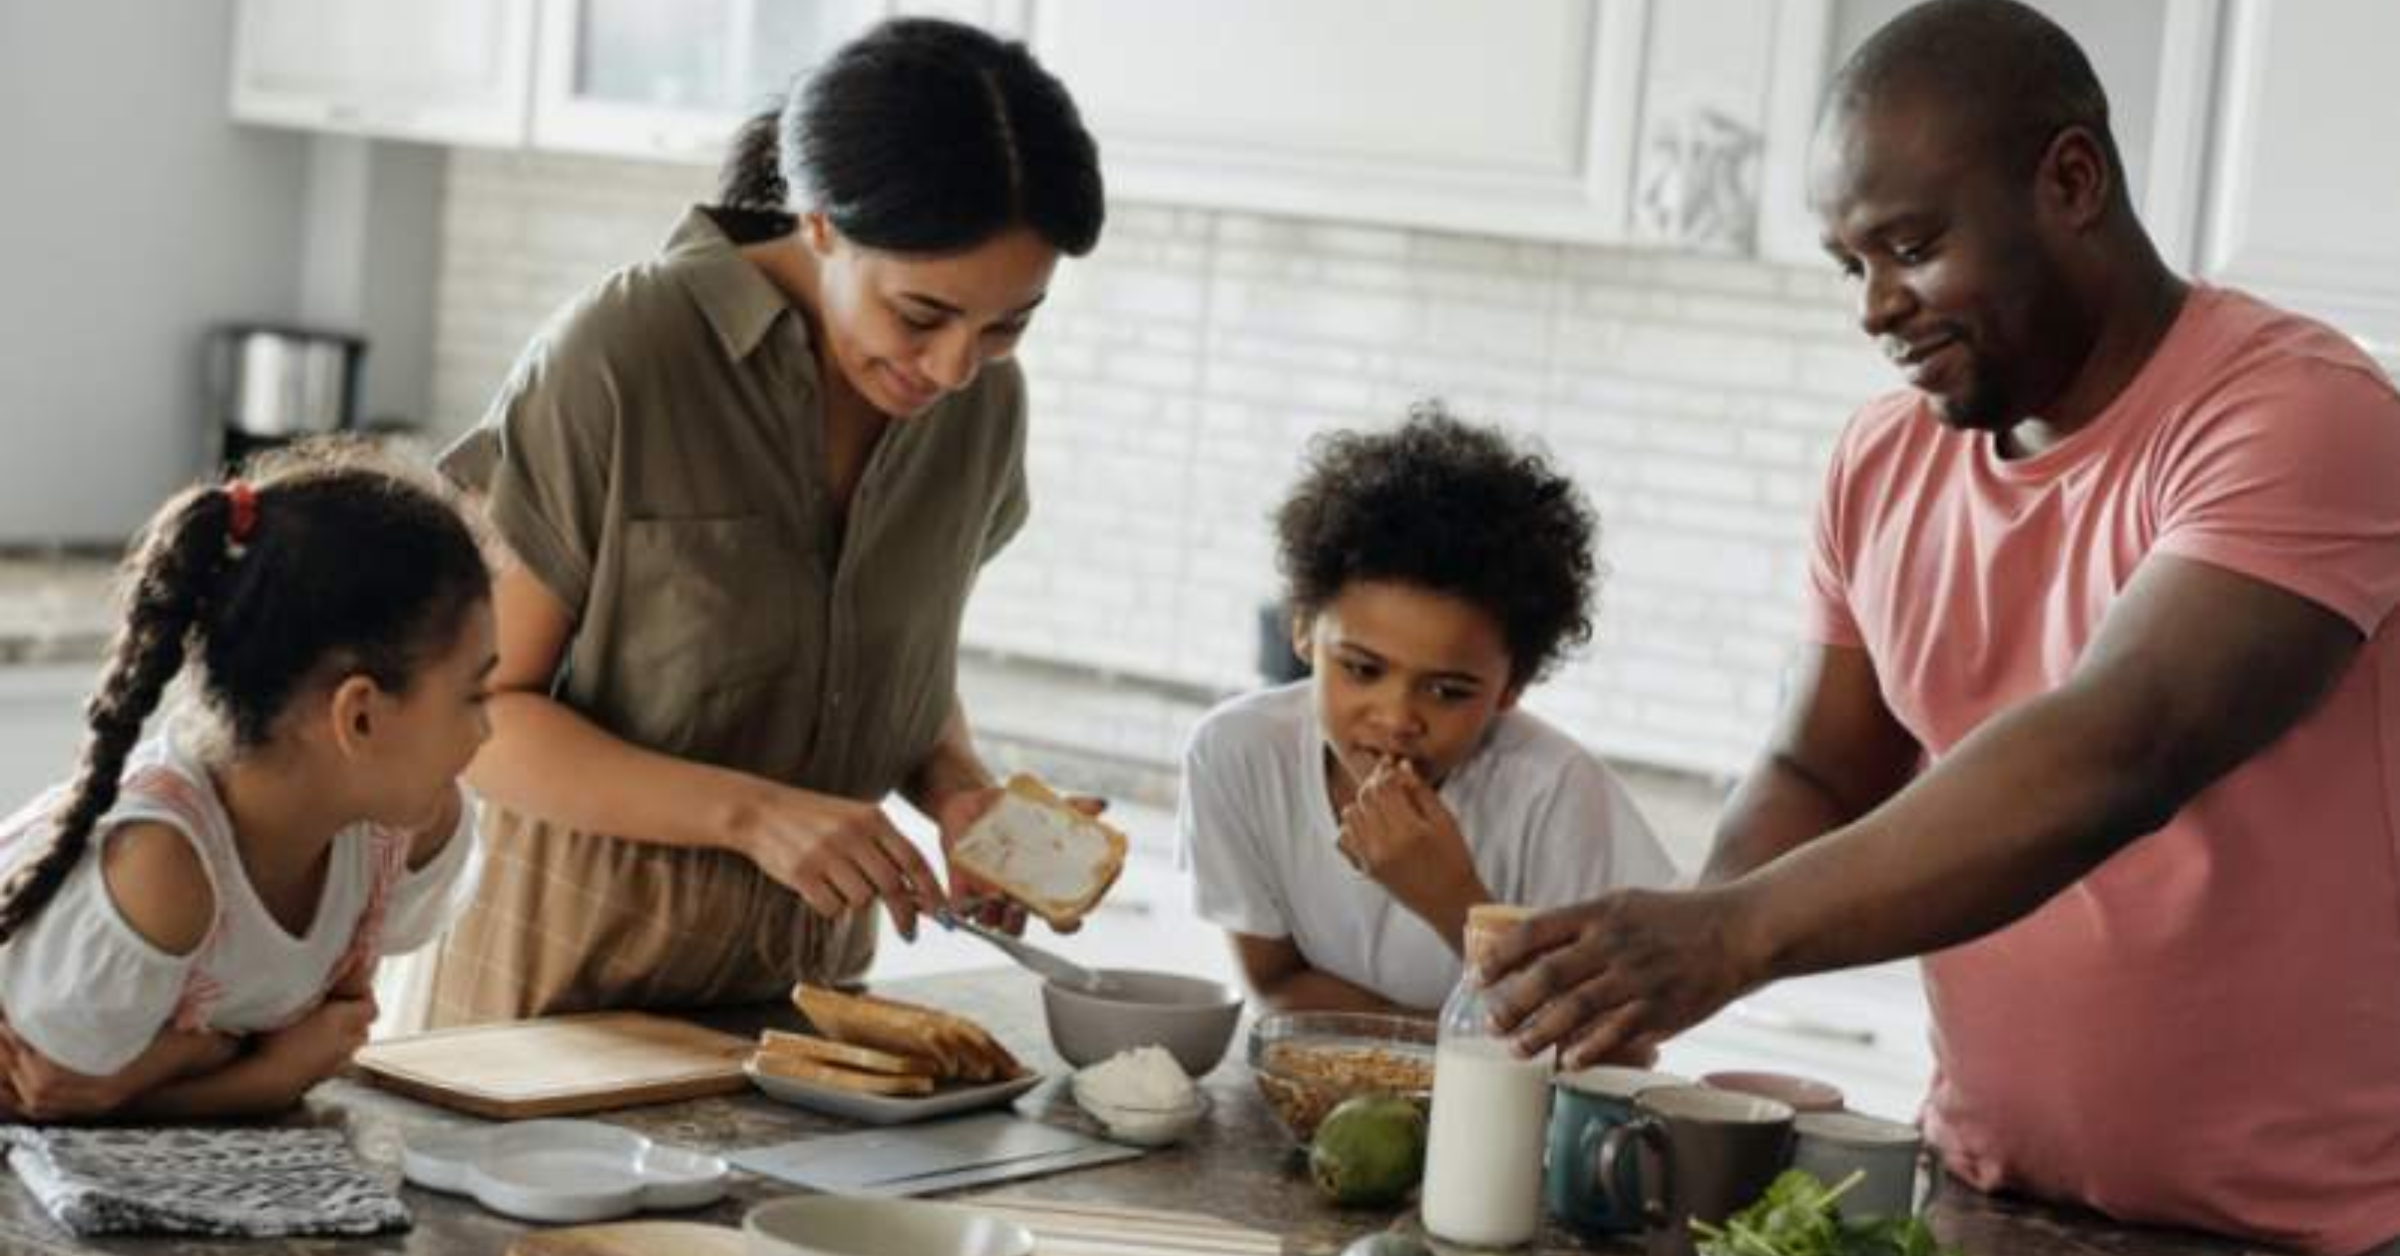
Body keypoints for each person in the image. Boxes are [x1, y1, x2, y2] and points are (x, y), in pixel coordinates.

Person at [1477, 2, 2400, 1251]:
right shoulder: (1882, 461)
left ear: (2071, 179)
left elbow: (2118, 748)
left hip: (2300, 1233)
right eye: (1848, 264)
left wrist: (1732, 936)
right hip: (1982, 1199)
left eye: (1909, 245)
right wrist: (1653, 963)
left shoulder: (2302, 418)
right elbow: (1820, 765)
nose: (1873, 306)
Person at [425, 17, 1107, 1026]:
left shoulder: (982, 408)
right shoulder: (625, 354)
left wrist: (960, 791)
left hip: (808, 1016)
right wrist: (752, 814)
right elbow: (473, 719)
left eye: (1009, 322)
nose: (957, 366)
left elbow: (892, 664)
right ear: (820, 222)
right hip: (557, 1003)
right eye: (922, 315)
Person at [0, 442, 492, 1121]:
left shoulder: (401, 831)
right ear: (360, 716)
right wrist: (261, 1070)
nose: (487, 730)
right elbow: (49, 1105)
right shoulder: (160, 870)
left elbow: (320, 1045)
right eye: (474, 694)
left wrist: (177, 1064)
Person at [1178, 405, 1678, 1014]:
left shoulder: (1559, 794)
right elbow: (1277, 983)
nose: (1395, 719)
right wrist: (1429, 1056)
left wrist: (1452, 898)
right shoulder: (1238, 754)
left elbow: (1607, 1047)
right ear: (1304, 630)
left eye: (1447, 690)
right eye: (1362, 669)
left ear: (1511, 685)